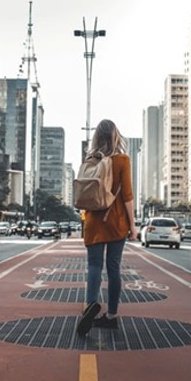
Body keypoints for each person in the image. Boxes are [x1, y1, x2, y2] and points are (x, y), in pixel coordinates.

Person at [76, 119, 138, 337]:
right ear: (115, 136)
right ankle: (111, 316)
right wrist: (133, 226)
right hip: (116, 222)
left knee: (93, 266)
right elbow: (128, 196)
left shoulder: (90, 160)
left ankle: (90, 305)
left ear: (96, 137)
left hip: (93, 222)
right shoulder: (122, 160)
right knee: (114, 269)